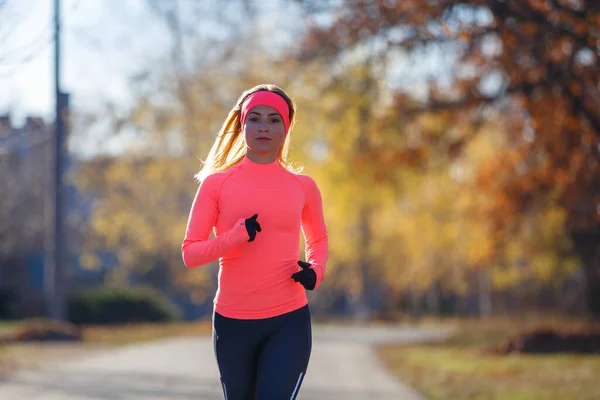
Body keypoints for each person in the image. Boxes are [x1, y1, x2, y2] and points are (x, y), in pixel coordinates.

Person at [181, 83, 328, 400]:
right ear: (242, 124)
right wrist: (233, 237)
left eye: (275, 120)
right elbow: (190, 253)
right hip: (233, 322)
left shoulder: (303, 186)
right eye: (255, 118)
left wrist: (316, 270)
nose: (264, 127)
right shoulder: (216, 184)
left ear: (286, 128)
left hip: (288, 320)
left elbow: (318, 238)